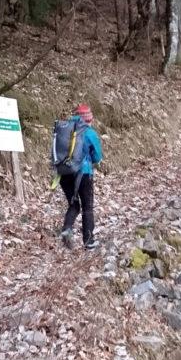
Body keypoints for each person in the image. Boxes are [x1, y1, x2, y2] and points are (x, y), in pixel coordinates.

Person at [59, 103, 102, 250]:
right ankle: (88, 241)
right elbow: (97, 157)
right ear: (89, 119)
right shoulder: (89, 133)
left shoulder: (64, 129)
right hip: (83, 173)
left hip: (64, 173)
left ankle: (67, 229)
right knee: (87, 207)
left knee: (74, 204)